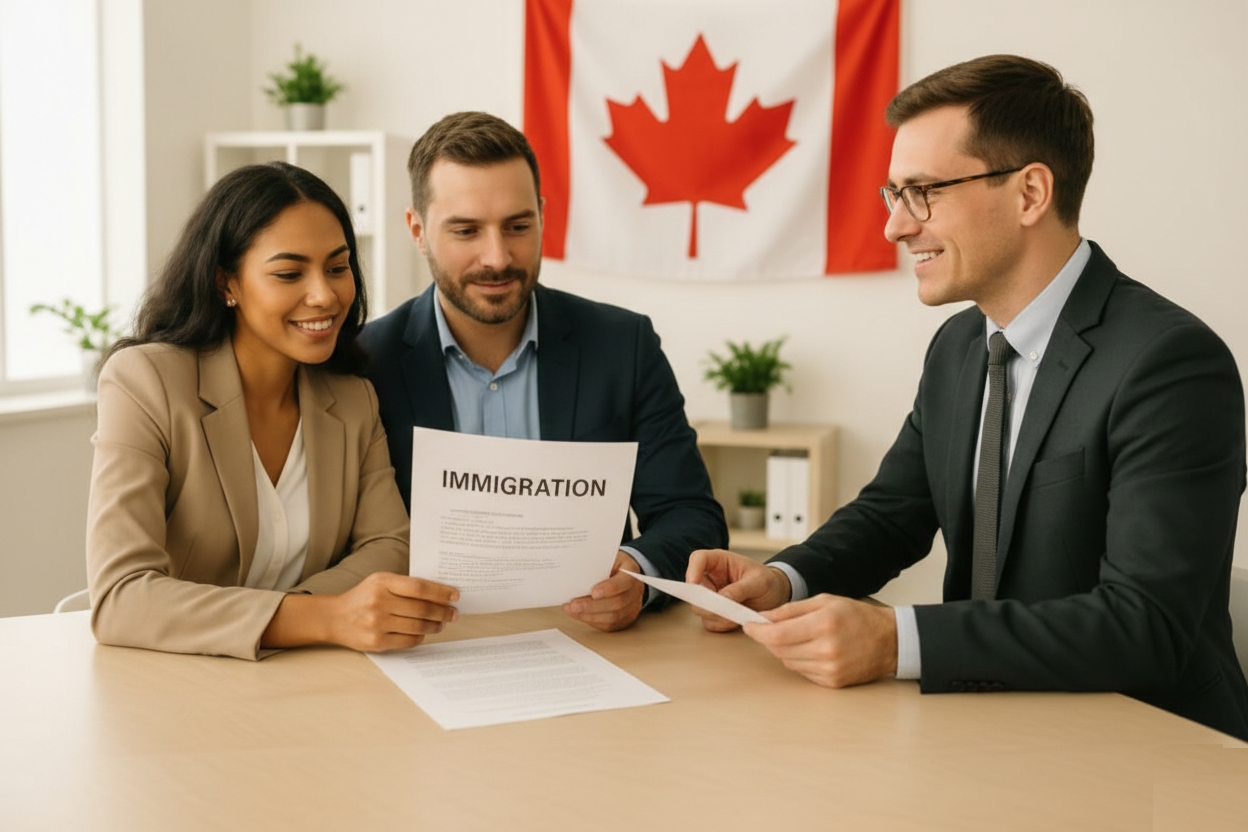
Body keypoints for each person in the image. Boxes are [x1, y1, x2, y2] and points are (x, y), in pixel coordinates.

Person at [688, 54, 1248, 740]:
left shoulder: (1169, 365)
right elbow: (893, 514)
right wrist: (785, 579)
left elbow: (1145, 625)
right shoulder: (959, 345)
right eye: (892, 194)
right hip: (988, 728)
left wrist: (897, 641)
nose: (896, 226)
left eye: (922, 191)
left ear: (1030, 194)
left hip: (1150, 748)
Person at [360, 111, 727, 633]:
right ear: (417, 231)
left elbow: (691, 516)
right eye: (466, 230)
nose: (498, 257)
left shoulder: (623, 346)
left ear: (543, 216)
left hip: (587, 643)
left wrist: (639, 576)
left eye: (518, 226)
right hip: (429, 647)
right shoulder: (366, 363)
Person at [87, 162, 460, 659]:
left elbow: (389, 544)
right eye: (289, 273)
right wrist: (324, 617)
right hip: (175, 684)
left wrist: (296, 621)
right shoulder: (145, 381)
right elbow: (120, 596)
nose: (325, 295)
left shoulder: (352, 398)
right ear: (227, 283)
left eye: (338, 266)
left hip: (306, 676)